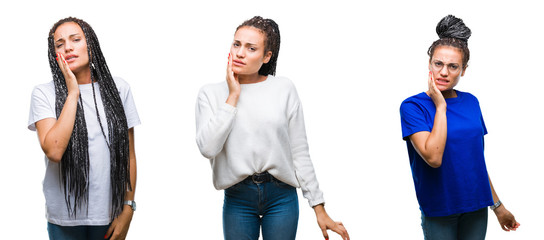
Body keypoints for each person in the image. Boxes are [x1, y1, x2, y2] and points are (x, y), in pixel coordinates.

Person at [195, 16, 349, 240]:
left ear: (267, 56)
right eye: (236, 44)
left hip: (281, 196)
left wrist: (318, 206)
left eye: (251, 48)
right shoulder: (210, 94)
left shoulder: (283, 88)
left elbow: (299, 152)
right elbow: (208, 148)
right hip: (238, 197)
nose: (240, 53)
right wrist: (233, 96)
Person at [399, 15, 520, 239]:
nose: (444, 72)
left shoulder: (471, 102)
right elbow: (433, 158)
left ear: (463, 69)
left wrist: (498, 206)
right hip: (440, 211)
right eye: (438, 64)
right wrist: (441, 107)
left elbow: (476, 161)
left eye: (453, 66)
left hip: (476, 207)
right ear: (429, 65)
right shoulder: (413, 106)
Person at [28, 17, 140, 240]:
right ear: (54, 54)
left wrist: (128, 208)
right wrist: (73, 93)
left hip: (110, 215)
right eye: (59, 44)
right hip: (64, 219)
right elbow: (54, 151)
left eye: (75, 39)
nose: (68, 46)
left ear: (91, 44)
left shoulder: (119, 89)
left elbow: (129, 156)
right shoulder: (44, 93)